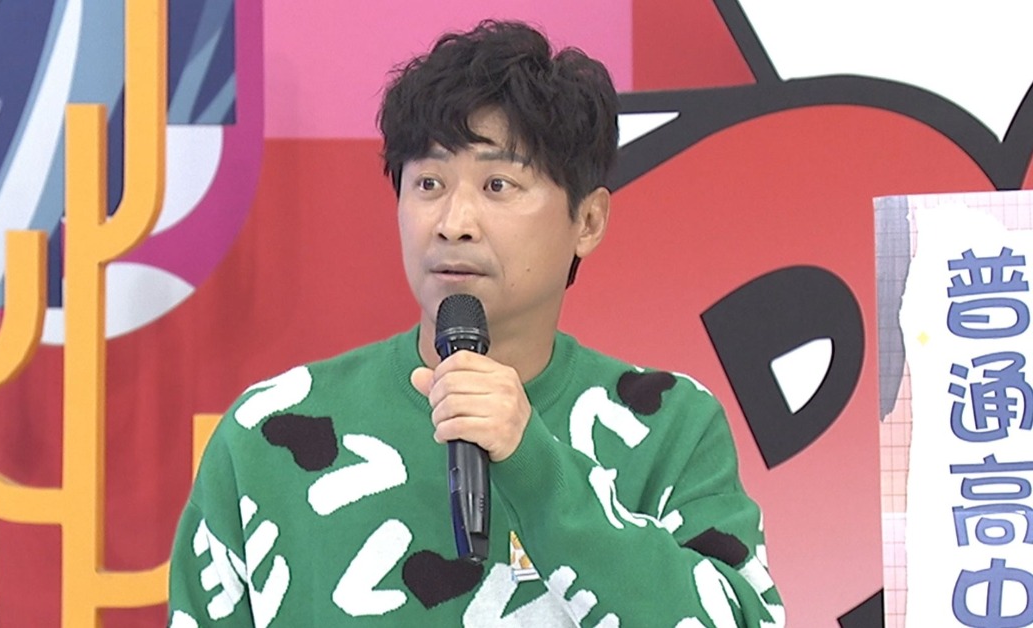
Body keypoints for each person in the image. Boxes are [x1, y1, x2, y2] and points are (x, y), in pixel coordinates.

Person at [168, 19, 784, 627]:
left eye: (497, 184)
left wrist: (536, 466)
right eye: (428, 183)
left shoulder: (669, 426)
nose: (453, 223)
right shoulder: (265, 432)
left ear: (588, 221)